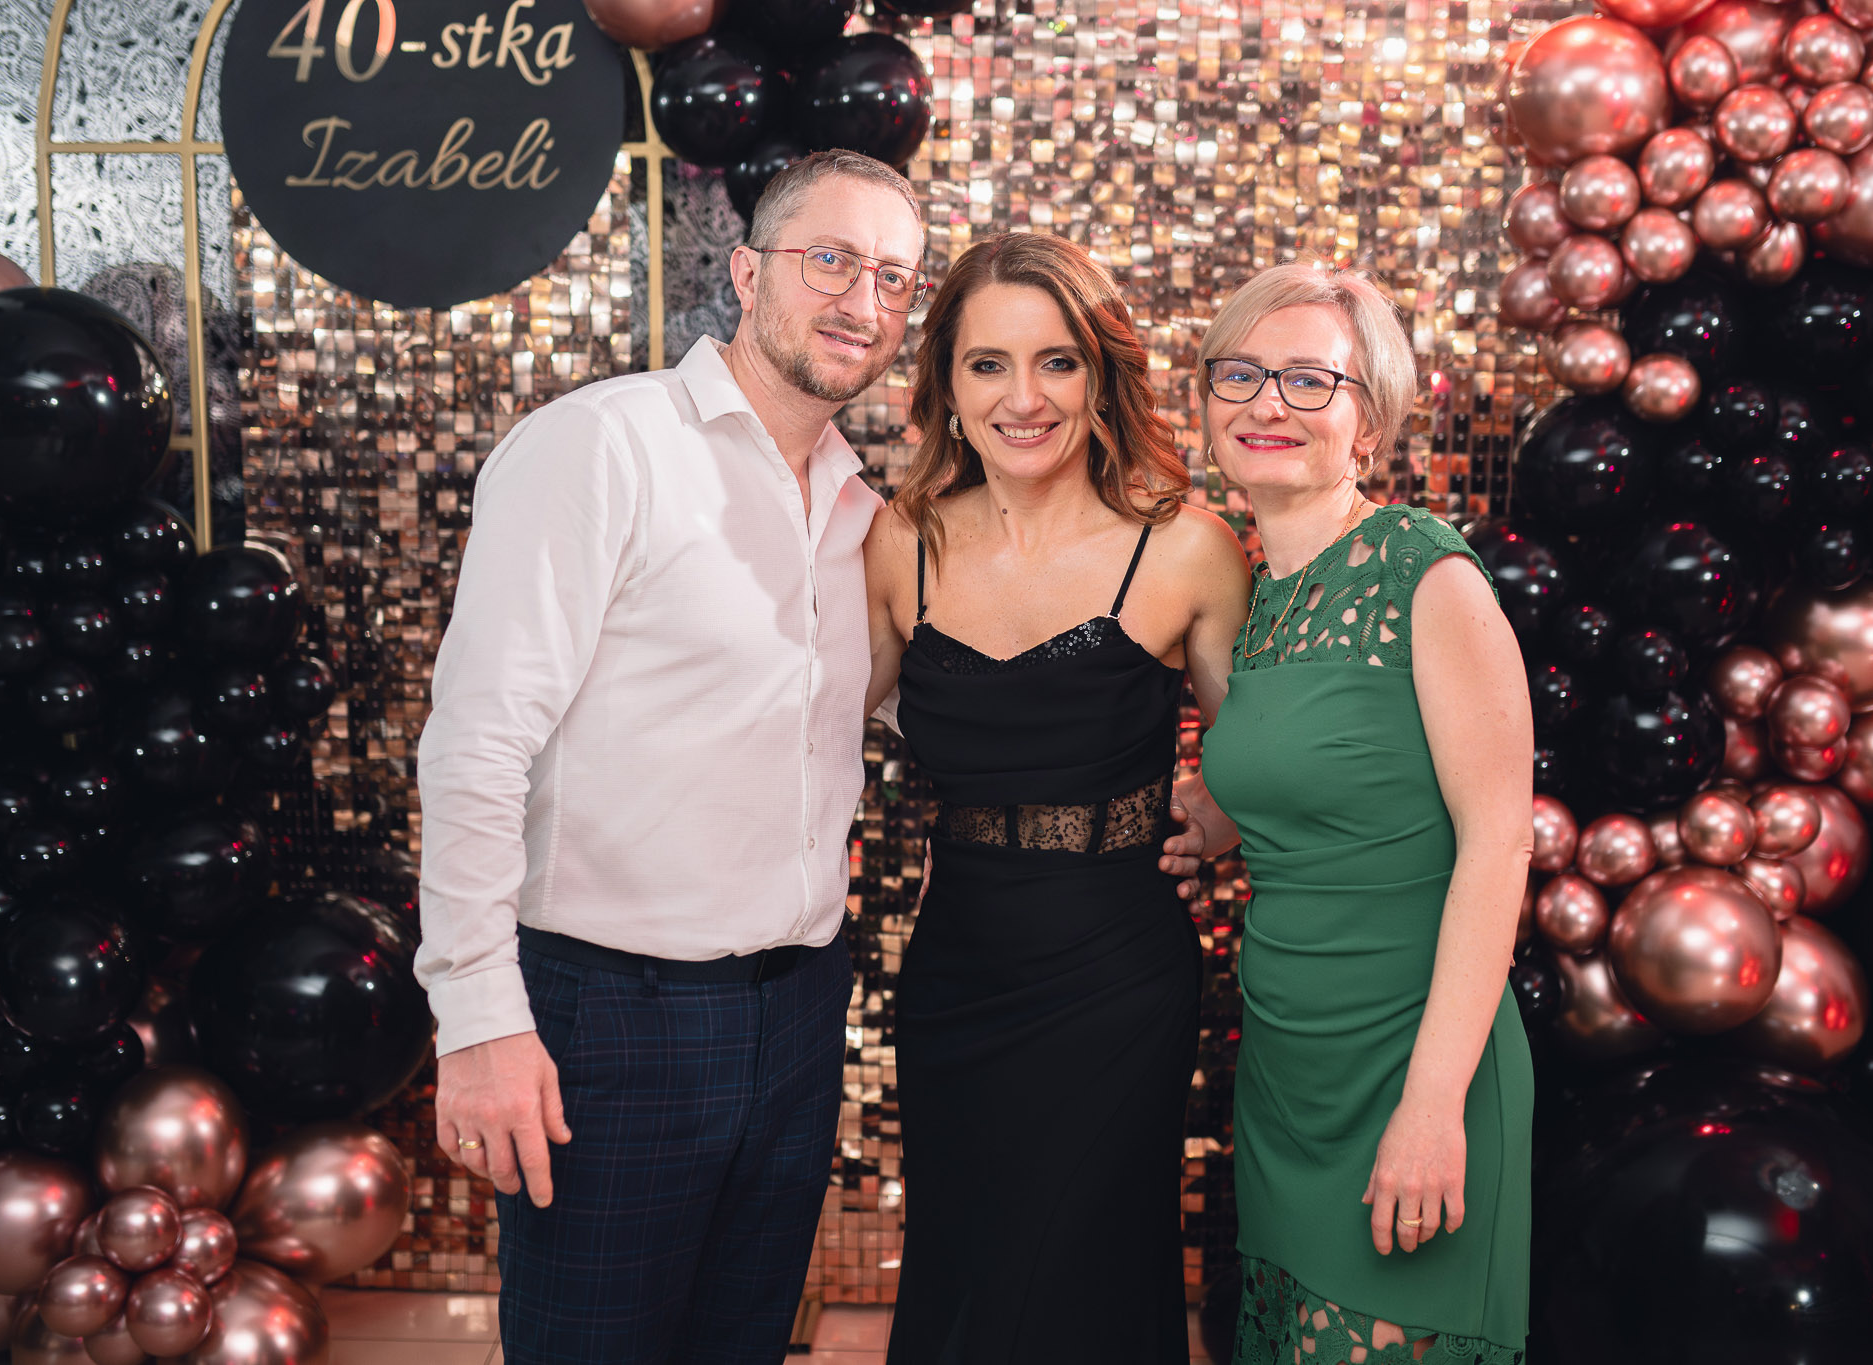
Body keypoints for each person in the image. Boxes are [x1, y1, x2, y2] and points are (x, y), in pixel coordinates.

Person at [413, 149, 931, 1365]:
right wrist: (478, 1017)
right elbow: (477, 743)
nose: (861, 300)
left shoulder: (864, 513)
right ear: (746, 274)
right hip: (611, 1017)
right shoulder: (603, 447)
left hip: (798, 1011)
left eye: (892, 278)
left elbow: (949, 713)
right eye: (830, 260)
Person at [862, 231, 1253, 1364]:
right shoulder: (900, 541)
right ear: (945, 383)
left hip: (1116, 978)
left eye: (1057, 363)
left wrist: (1217, 811)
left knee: (1085, 1281)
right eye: (988, 364)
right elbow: (825, 729)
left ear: (1099, 375)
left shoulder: (1185, 548)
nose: (1023, 398)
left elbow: (1263, 754)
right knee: (968, 1276)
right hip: (956, 969)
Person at [1183, 262, 1535, 1365]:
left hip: (1413, 1059)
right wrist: (1197, 822)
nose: (1267, 403)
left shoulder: (1425, 575)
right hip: (1288, 1066)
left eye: (1308, 379)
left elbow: (1498, 841)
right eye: (1240, 373)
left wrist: (1432, 1106)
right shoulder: (1259, 599)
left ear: (1368, 422)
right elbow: (1306, 782)